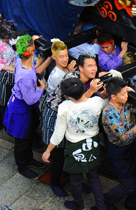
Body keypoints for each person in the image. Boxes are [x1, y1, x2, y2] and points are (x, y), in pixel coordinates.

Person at [43, 76, 108, 210]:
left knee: (76, 179)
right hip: (93, 143)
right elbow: (106, 100)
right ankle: (101, 206)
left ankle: (78, 204)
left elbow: (58, 134)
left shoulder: (64, 107)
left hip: (75, 146)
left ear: (67, 95)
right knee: (94, 178)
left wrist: (48, 150)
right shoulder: (96, 101)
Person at [41, 53, 98, 198]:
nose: (94, 69)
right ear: (80, 68)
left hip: (72, 117)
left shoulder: (89, 81)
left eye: (95, 65)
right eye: (89, 66)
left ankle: (71, 178)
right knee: (58, 154)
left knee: (69, 150)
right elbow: (76, 102)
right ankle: (54, 182)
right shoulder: (71, 80)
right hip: (55, 114)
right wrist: (92, 91)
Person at [2, 35, 46, 179]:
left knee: (29, 134)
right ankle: (22, 166)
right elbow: (30, 99)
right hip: (22, 110)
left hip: (23, 107)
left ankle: (29, 159)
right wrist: (42, 88)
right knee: (22, 139)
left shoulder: (21, 61)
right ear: (32, 52)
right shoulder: (26, 75)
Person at [100, 78, 136, 210]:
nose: (127, 96)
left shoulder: (125, 102)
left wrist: (133, 95)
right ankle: (106, 200)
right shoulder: (109, 113)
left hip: (133, 146)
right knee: (128, 185)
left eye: (127, 93)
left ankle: (131, 203)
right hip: (119, 151)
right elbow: (125, 137)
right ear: (113, 96)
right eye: (124, 94)